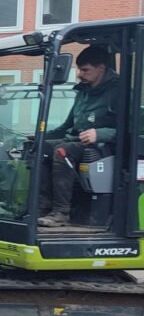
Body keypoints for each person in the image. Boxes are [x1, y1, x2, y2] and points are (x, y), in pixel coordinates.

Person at [37, 45, 119, 228]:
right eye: (79, 69)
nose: (80, 74)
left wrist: (101, 133)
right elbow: (68, 126)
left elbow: (134, 128)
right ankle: (41, 207)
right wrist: (39, 136)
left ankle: (61, 213)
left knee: (62, 152)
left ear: (101, 68)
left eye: (85, 70)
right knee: (38, 148)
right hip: (79, 142)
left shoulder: (119, 92)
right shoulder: (83, 91)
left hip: (105, 148)